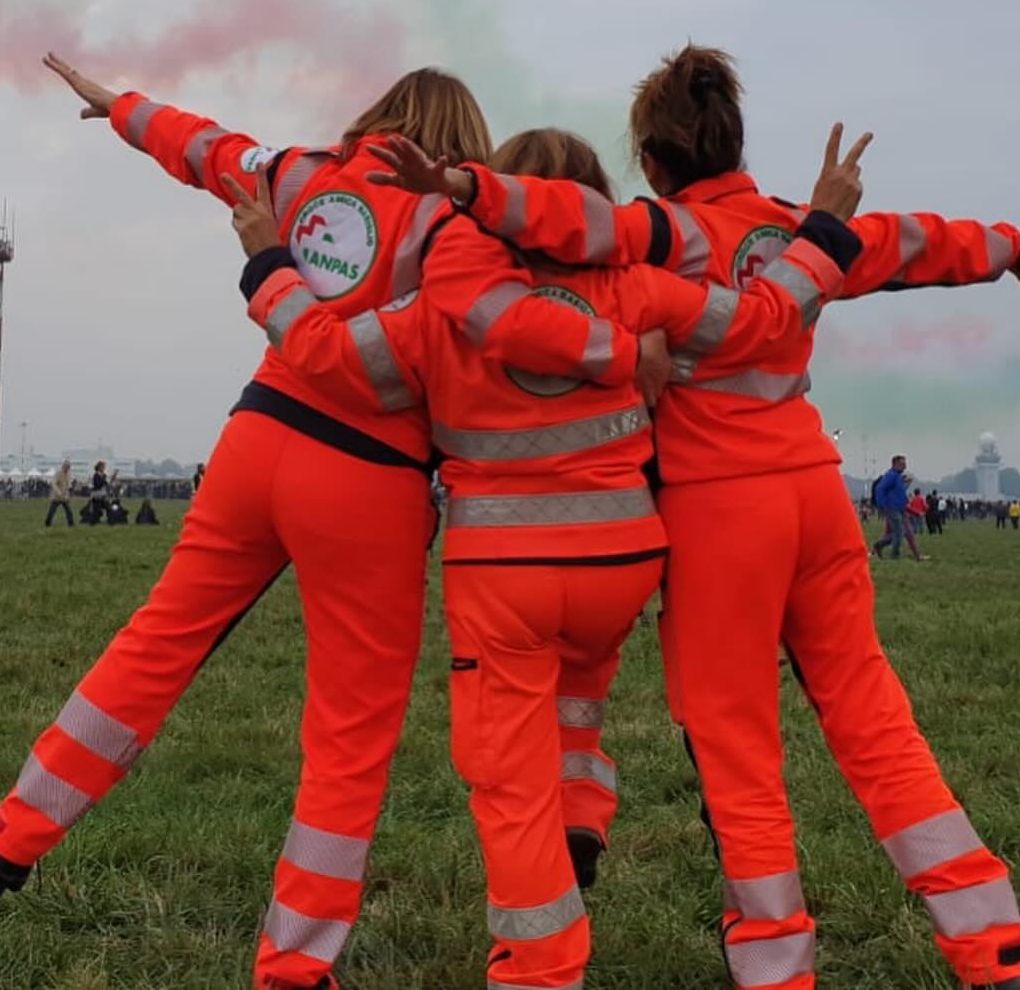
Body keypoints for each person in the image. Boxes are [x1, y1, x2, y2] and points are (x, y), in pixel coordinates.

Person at [371, 44, 1020, 990]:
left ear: (652, 163)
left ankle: (777, 964)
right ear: (737, 139)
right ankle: (989, 937)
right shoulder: (794, 226)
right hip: (816, 492)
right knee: (874, 716)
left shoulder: (656, 237)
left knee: (738, 746)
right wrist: (1011, 248)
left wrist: (467, 187)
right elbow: (903, 243)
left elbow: (559, 218)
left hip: (714, 514)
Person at [0, 57, 617, 990]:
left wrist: (119, 107)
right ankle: (294, 968)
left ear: (375, 118)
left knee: (156, 643)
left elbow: (204, 147)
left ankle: (12, 835)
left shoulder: (299, 170)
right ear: (462, 145)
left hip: (256, 438)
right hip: (370, 479)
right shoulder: (455, 222)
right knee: (348, 736)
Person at [225, 125, 865, 990]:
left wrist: (270, 265)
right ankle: (584, 812)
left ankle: (540, 961)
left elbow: (325, 357)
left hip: (504, 573)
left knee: (509, 782)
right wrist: (821, 232)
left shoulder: (443, 309)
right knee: (580, 686)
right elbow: (762, 321)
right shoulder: (636, 287)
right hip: (623, 559)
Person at [872, 457, 915, 561]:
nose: (905, 466)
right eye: (902, 464)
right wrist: (882, 504)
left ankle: (879, 545)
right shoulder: (891, 475)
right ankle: (894, 555)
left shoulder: (897, 477)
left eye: (905, 463)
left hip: (898, 507)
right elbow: (880, 488)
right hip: (891, 507)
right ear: (895, 464)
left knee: (899, 532)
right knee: (899, 532)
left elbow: (898, 492)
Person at [45, 461, 75, 527]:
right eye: (66, 467)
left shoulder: (68, 474)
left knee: (69, 511)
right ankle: (47, 523)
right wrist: (58, 492)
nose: (67, 468)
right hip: (56, 496)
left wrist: (69, 493)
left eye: (69, 467)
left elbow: (68, 485)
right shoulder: (58, 474)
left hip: (64, 497)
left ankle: (71, 524)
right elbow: (53, 483)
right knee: (52, 511)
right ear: (63, 466)